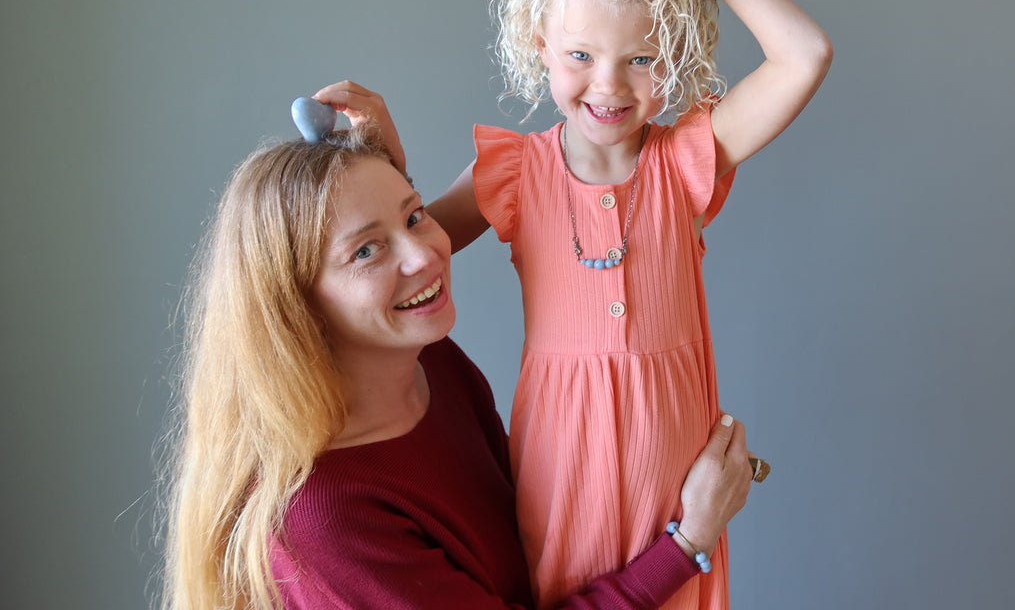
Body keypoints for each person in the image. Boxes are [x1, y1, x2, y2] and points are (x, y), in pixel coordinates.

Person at [317, 0, 832, 610]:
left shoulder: (688, 160)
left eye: (642, 59)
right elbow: (411, 253)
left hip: (679, 485)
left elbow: (805, 53)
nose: (609, 86)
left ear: (674, 54)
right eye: (581, 56)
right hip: (564, 483)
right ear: (541, 48)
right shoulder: (513, 173)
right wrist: (387, 162)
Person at [157, 117, 753, 610]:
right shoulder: (322, 515)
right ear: (295, 306)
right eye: (366, 250)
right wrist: (687, 541)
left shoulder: (430, 364)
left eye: (414, 215)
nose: (426, 253)